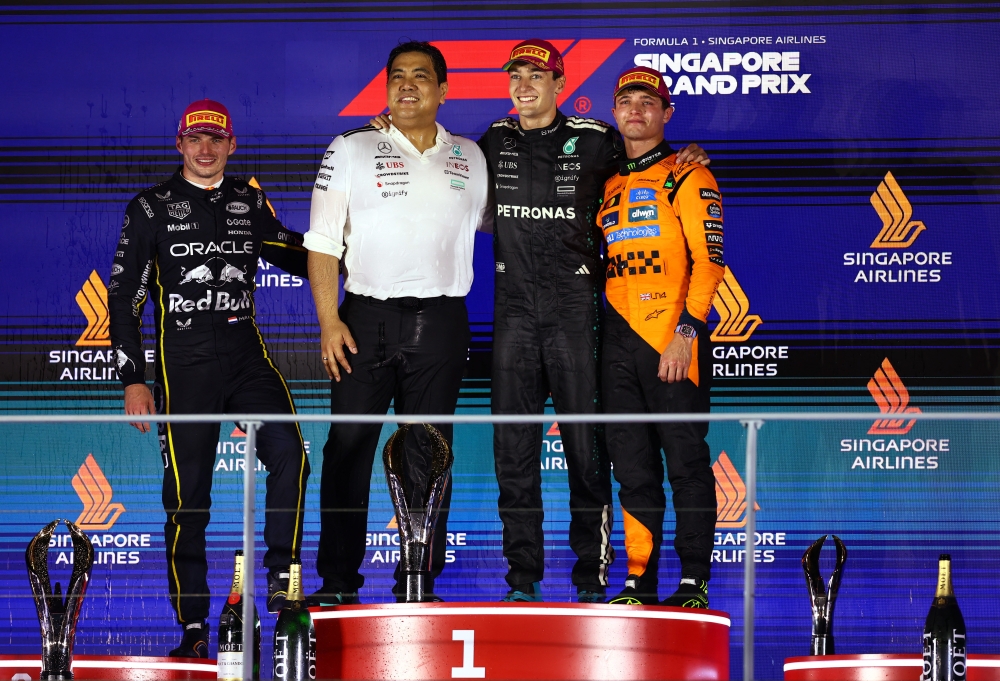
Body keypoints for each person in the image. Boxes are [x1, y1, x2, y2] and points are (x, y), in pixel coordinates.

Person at [109, 99, 311, 656]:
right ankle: (194, 626)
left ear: (231, 145)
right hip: (185, 365)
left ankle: (283, 580)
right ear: (179, 144)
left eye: (216, 139)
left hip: (246, 357)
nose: (205, 148)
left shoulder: (249, 200)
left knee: (291, 454)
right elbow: (124, 297)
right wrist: (133, 377)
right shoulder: (149, 207)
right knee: (187, 497)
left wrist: (344, 244)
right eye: (195, 138)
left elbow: (292, 253)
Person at [305, 41, 489, 604]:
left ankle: (419, 580)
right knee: (348, 446)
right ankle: (338, 583)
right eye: (398, 76)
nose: (407, 85)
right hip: (365, 319)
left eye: (421, 76)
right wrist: (329, 321)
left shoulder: (471, 156)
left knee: (428, 451)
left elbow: (497, 220)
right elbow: (322, 242)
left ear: (443, 90)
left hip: (442, 321)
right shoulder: (350, 147)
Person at [597, 67, 724, 608]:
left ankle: (693, 581)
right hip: (617, 340)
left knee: (686, 461)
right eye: (626, 100)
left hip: (673, 339)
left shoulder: (688, 175)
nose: (636, 109)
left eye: (648, 102)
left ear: (666, 114)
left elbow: (710, 263)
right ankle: (638, 581)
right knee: (631, 466)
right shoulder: (607, 182)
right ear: (614, 112)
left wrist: (686, 334)